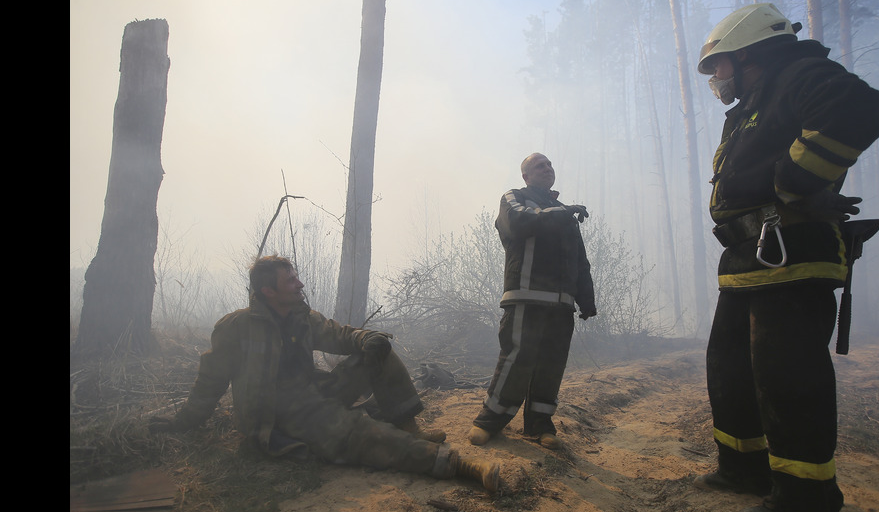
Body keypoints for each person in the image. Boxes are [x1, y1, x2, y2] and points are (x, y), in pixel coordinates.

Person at [693, 3, 879, 512]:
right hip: (749, 256)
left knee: (787, 377)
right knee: (730, 367)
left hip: (790, 250)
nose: (716, 79)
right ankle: (743, 468)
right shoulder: (756, 99)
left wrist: (795, 181)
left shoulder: (799, 73)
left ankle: (804, 507)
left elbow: (854, 108)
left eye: (720, 67)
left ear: (751, 53)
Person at [151, 255, 499, 492]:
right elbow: (208, 383)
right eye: (291, 281)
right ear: (268, 291)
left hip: (313, 391)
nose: (300, 285)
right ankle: (460, 466)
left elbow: (341, 334)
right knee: (362, 433)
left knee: (376, 351)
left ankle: (411, 428)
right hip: (280, 416)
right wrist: (184, 422)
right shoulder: (235, 328)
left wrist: (368, 338)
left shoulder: (302, 316)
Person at [467, 153, 596, 450]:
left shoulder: (564, 211)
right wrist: (561, 214)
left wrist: (586, 299)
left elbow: (580, 260)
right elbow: (517, 223)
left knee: (552, 365)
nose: (547, 168)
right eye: (540, 166)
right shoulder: (515, 197)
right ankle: (489, 421)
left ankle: (540, 426)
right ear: (526, 175)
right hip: (525, 297)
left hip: (561, 305)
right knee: (517, 360)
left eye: (550, 164)